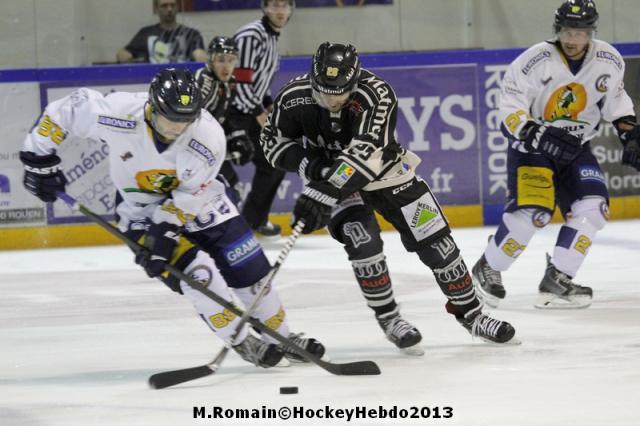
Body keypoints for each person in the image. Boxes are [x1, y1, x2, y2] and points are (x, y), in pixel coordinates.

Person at [19, 68, 325, 368]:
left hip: (203, 202)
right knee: (198, 275)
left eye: (185, 120)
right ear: (152, 106)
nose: (177, 128)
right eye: (170, 118)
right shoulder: (120, 113)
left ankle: (283, 337)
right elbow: (66, 110)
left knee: (253, 275)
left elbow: (190, 195)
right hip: (139, 210)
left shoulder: (207, 136)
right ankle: (244, 341)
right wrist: (37, 158)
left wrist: (166, 229)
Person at [260, 42, 518, 352]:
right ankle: (390, 319)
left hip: (385, 172)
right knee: (364, 245)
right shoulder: (293, 96)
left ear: (354, 82)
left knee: (438, 244)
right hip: (330, 177)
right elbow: (272, 143)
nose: (331, 99)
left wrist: (323, 192)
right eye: (323, 91)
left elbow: (365, 155)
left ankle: (472, 314)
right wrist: (310, 166)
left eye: (339, 92)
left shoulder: (377, 93)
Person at [471, 0, 640, 310]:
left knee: (594, 209)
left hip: (576, 150)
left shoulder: (608, 60)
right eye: (566, 31)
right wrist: (537, 134)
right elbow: (509, 108)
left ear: (591, 33)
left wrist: (630, 133)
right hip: (532, 152)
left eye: (580, 32)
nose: (572, 39)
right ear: (558, 30)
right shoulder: (534, 61)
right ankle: (488, 266)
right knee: (532, 216)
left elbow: (617, 102)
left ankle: (558, 278)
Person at [228, 0, 294, 238]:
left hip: (250, 110)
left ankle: (254, 221)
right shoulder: (251, 35)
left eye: (285, 5)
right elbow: (240, 82)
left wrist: (268, 105)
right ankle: (243, 224)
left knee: (275, 164)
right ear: (265, 8)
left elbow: (259, 83)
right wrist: (259, 113)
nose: (280, 11)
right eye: (275, 5)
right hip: (234, 115)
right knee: (263, 164)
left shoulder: (271, 38)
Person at [195, 36, 255, 205]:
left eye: (231, 60)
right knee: (227, 194)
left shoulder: (230, 84)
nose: (226, 65)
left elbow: (222, 118)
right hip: (195, 154)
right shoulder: (204, 81)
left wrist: (236, 137)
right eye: (221, 60)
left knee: (232, 191)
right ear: (211, 61)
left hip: (208, 151)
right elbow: (191, 122)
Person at [117, 0, 207, 64]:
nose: (169, 9)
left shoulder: (191, 34)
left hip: (182, 79)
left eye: (172, 5)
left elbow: (201, 57)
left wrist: (200, 56)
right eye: (164, 6)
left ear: (177, 7)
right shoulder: (146, 33)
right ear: (156, 9)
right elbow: (123, 55)